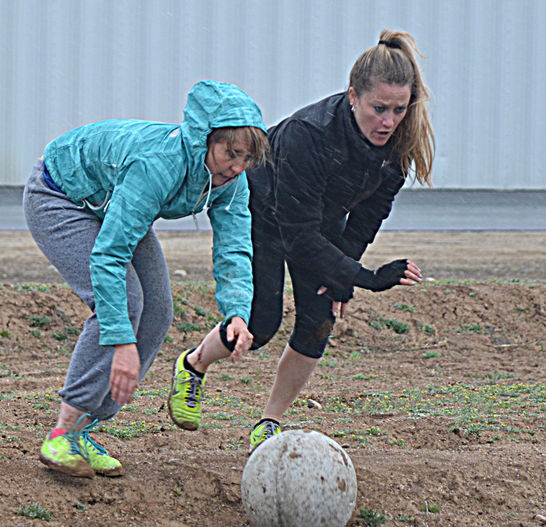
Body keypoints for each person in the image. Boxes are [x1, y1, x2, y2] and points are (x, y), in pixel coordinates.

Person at [24, 80, 269, 478]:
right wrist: (121, 341)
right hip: (59, 195)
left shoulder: (231, 181)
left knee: (156, 312)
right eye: (231, 153)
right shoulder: (158, 165)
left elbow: (234, 247)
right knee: (122, 302)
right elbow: (108, 256)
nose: (238, 167)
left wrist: (237, 314)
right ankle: (61, 434)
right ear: (203, 139)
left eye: (247, 158)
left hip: (109, 203)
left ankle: (85, 430)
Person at [243, 29, 435, 451]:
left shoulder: (399, 148)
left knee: (318, 322)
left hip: (316, 219)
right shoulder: (307, 134)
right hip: (265, 212)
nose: (387, 121)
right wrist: (364, 277)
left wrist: (341, 275)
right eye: (378, 108)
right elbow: (296, 234)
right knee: (260, 326)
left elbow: (366, 219)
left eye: (399, 109)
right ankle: (195, 364)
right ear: (353, 96)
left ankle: (268, 423)